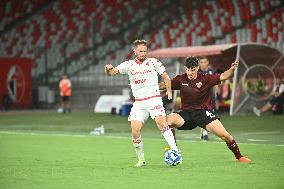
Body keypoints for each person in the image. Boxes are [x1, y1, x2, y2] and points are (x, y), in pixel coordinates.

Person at [160, 57, 251, 163]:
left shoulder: (206, 78)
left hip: (203, 113)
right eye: (188, 70)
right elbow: (164, 85)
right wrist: (147, 85)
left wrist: (232, 69)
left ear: (197, 68)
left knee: (225, 135)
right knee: (169, 119)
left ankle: (239, 156)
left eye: (193, 70)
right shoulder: (180, 79)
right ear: (185, 68)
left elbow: (224, 76)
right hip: (186, 115)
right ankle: (174, 150)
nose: (190, 73)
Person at [105, 39, 179, 167]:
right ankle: (141, 159)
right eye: (140, 51)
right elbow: (111, 73)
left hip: (154, 99)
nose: (143, 53)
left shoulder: (153, 62)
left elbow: (166, 77)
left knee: (161, 123)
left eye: (145, 51)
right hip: (139, 103)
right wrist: (107, 69)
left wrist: (169, 92)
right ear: (134, 51)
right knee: (135, 131)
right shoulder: (128, 65)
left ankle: (176, 152)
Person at [198, 56, 218, 141]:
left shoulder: (212, 72)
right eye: (201, 62)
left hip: (210, 97)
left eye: (204, 62)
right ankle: (204, 132)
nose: (203, 64)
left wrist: (215, 94)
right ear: (199, 63)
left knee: (209, 115)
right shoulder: (197, 73)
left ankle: (204, 132)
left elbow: (216, 83)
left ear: (208, 62)